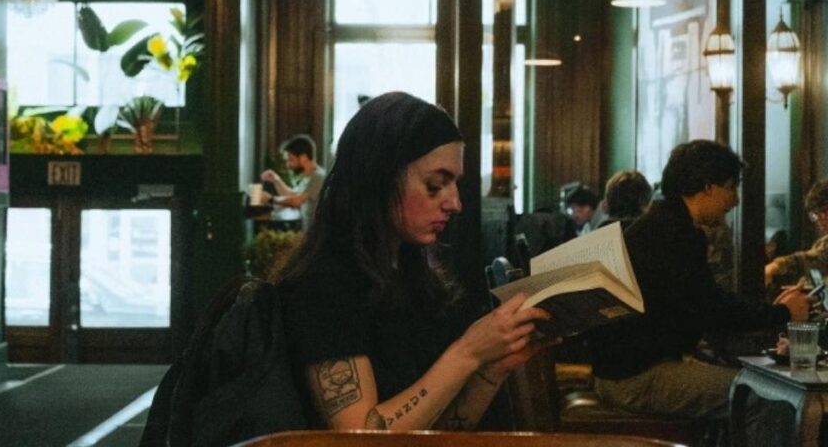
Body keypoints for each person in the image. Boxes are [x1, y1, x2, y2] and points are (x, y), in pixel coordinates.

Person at [274, 91, 549, 431]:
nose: (455, 203)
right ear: (379, 178)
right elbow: (357, 437)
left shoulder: (411, 274)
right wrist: (468, 354)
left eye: (454, 184)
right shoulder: (324, 282)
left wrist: (492, 369)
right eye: (436, 184)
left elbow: (440, 429)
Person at [586, 140, 811, 444]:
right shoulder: (676, 233)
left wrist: (773, 313)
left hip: (625, 370)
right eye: (731, 187)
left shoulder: (662, 222)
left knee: (748, 384)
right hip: (636, 378)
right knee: (765, 399)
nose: (735, 200)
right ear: (707, 187)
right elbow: (710, 308)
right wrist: (783, 313)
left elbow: (701, 304)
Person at [765, 179, 828, 288]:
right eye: (815, 214)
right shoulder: (824, 244)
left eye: (825, 211)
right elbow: (811, 259)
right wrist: (774, 267)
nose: (820, 220)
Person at [261, 134, 326, 230]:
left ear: (303, 158)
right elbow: (292, 195)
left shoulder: (318, 176)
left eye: (291, 160)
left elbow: (296, 202)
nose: (288, 165)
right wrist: (276, 180)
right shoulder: (308, 177)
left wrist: (270, 199)